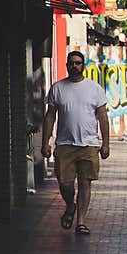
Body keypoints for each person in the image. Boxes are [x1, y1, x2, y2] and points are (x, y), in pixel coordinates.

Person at [41, 51, 110, 235]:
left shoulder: (94, 89)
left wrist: (105, 144)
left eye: (78, 63)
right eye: (71, 63)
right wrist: (46, 142)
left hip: (89, 144)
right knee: (65, 184)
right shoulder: (58, 88)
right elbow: (50, 117)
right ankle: (70, 206)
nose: (74, 66)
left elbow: (103, 117)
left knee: (85, 183)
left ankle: (81, 221)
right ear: (66, 65)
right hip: (65, 144)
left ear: (83, 65)